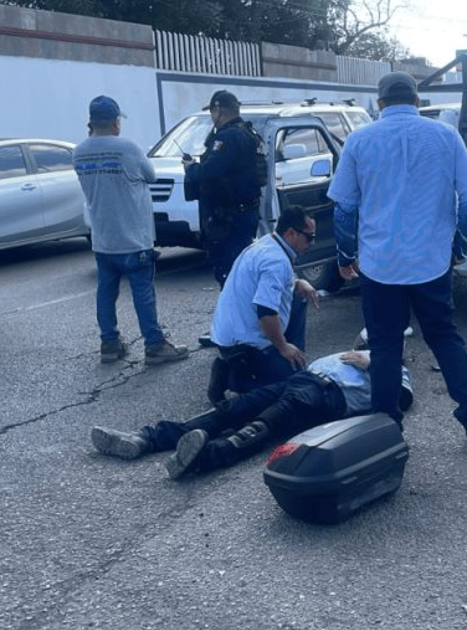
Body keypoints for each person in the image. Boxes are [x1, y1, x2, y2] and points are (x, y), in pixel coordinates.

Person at [328, 72, 467, 443]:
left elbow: (344, 209)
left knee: (384, 346)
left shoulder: (359, 139)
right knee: (445, 338)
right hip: (431, 262)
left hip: (380, 264)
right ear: (416, 101)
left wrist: (344, 255)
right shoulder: (445, 136)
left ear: (379, 103)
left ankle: (387, 429)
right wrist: (459, 247)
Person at [90, 351, 413, 479]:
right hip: (300, 381)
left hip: (328, 396)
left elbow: (403, 400)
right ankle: (145, 438)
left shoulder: (393, 367)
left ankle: (203, 458)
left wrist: (374, 364)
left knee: (268, 421)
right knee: (233, 409)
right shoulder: (343, 352)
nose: (365, 344)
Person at [73, 95, 190, 365]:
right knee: (142, 292)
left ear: (91, 122)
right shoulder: (128, 148)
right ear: (115, 121)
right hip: (134, 238)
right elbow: (150, 175)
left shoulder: (79, 152)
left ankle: (109, 343)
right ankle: (154, 344)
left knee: (105, 292)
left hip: (102, 238)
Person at [207, 208, 319, 396]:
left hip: (231, 336)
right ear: (291, 233)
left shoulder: (268, 244)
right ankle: (232, 377)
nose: (312, 243)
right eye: (310, 237)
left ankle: (292, 359)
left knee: (300, 296)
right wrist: (283, 347)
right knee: (290, 387)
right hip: (243, 346)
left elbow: (281, 286)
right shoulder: (276, 261)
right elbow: (266, 312)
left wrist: (300, 282)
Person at [183, 89, 264, 288]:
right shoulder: (248, 133)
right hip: (245, 212)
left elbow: (210, 171)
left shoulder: (228, 137)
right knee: (241, 270)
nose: (212, 117)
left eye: (212, 112)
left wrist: (191, 168)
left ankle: (235, 316)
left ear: (219, 110)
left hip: (229, 218)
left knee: (228, 274)